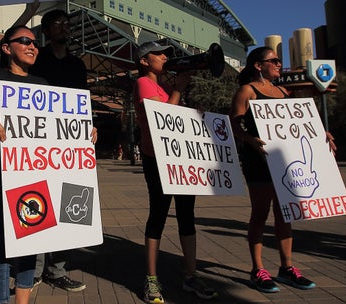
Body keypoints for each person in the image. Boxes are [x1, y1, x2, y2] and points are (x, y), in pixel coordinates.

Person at [230, 46, 331, 293]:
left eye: (278, 61)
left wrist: (321, 134)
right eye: (273, 60)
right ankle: (258, 269)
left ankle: (287, 268)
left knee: (286, 213)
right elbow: (233, 126)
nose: (278, 64)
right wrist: (250, 139)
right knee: (260, 212)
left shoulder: (284, 93)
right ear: (258, 65)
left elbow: (297, 127)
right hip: (259, 161)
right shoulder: (247, 91)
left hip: (285, 162)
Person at [133, 41, 217, 303]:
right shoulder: (143, 84)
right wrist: (179, 89)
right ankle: (151, 279)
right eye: (158, 54)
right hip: (156, 159)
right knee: (158, 214)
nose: (164, 57)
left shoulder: (167, 86)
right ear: (144, 61)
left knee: (186, 215)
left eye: (166, 54)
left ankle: (190, 275)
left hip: (179, 160)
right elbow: (164, 115)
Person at [0, 25, 45, 304]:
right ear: (6, 48)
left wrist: (84, 133)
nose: (32, 46)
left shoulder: (43, 84)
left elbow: (59, 132)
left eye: (35, 43)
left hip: (32, 178)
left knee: (29, 243)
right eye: (24, 41)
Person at [20, 7, 88, 292]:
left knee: (67, 205)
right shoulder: (36, 60)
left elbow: (82, 103)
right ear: (45, 31)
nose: (64, 27)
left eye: (67, 23)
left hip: (69, 146)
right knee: (37, 201)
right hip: (39, 145)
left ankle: (57, 270)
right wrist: (27, 14)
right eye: (58, 23)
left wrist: (89, 128)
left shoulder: (78, 65)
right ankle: (32, 271)